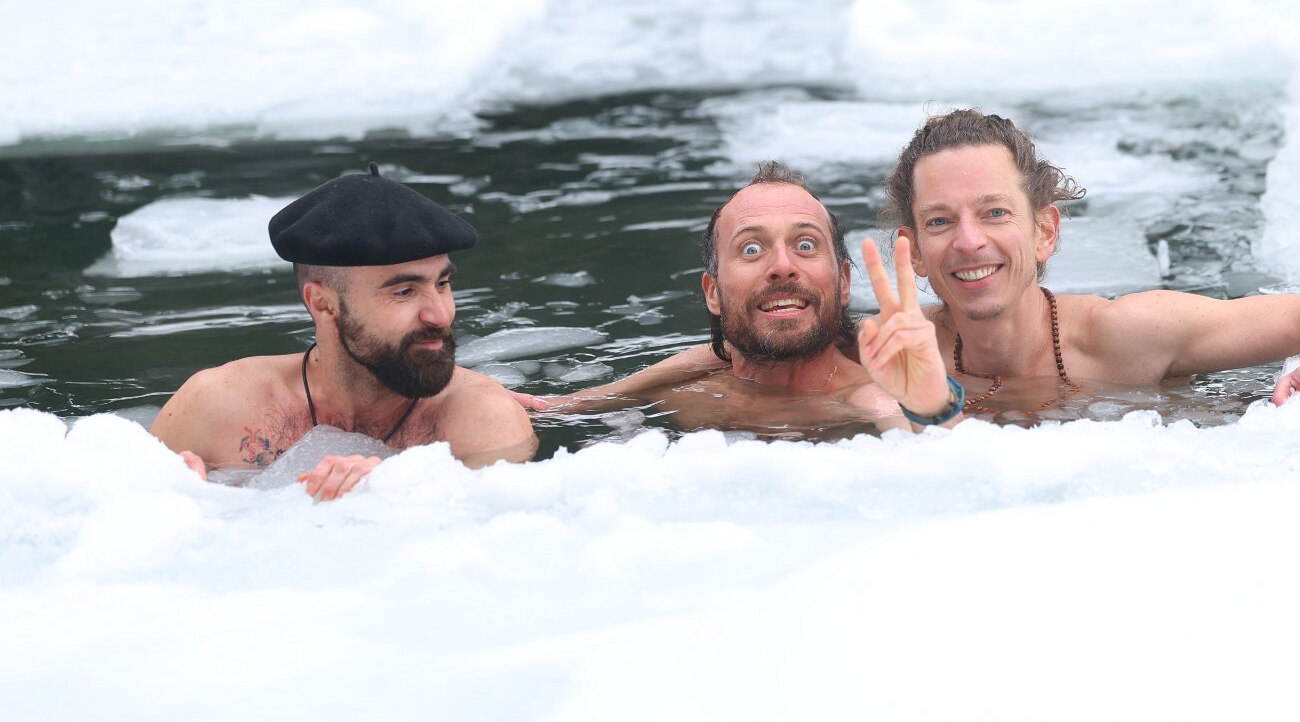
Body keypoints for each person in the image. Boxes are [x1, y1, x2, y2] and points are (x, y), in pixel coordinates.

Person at [881, 110, 1300, 412]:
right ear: (914, 251)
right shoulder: (888, 353)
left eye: (995, 213)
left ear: (1044, 231)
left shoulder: (1126, 336)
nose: (969, 241)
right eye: (940, 221)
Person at [152, 164, 536, 500]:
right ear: (322, 303)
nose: (439, 314)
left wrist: (400, 494)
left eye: (442, 284)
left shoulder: (480, 419)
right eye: (404, 291)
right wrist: (189, 501)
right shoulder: (217, 406)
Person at [515, 162, 960, 435]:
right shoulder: (689, 396)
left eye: (806, 245)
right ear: (713, 292)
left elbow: (949, 476)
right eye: (751, 249)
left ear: (844, 283)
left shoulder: (868, 402)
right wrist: (574, 403)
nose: (782, 265)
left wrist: (931, 406)